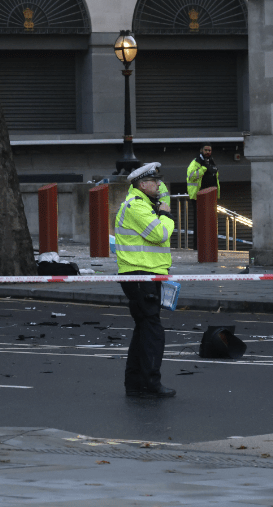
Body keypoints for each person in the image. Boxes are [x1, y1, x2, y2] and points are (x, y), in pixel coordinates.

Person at [115, 162, 176, 399]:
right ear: (142, 184)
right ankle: (150, 383)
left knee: (143, 330)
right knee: (152, 332)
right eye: (155, 181)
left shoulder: (144, 204)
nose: (160, 184)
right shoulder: (137, 207)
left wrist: (162, 201)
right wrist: (166, 214)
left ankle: (135, 384)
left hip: (147, 274)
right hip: (140, 275)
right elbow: (160, 234)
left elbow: (162, 194)